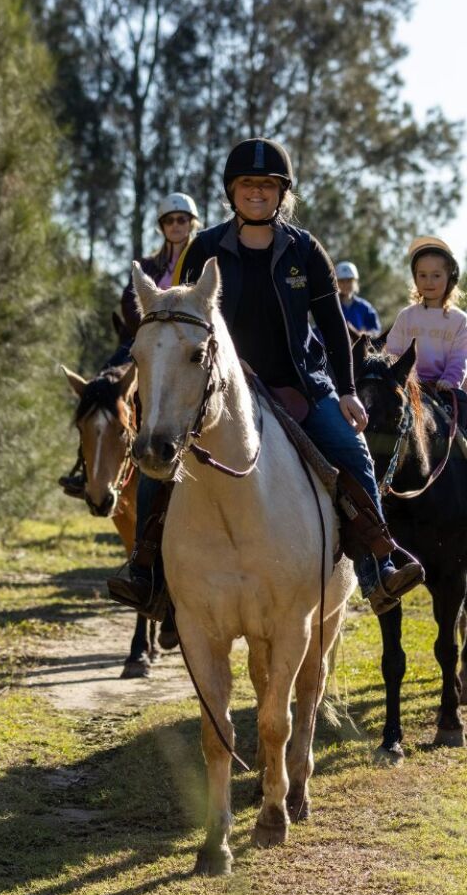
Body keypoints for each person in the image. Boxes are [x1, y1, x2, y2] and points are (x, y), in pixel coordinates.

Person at [108, 138, 424, 617]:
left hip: (301, 383)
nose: (257, 192)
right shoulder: (206, 247)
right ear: (232, 191)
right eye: (247, 184)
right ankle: (146, 571)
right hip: (223, 385)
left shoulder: (306, 251)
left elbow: (334, 328)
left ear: (283, 193)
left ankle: (378, 565)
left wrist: (346, 391)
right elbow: (190, 318)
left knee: (350, 449)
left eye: (267, 185)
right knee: (156, 450)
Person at [59, 193, 200, 497]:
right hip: (145, 339)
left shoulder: (201, 262)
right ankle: (85, 471)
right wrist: (150, 330)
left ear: (191, 223)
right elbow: (128, 301)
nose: (176, 225)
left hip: (187, 342)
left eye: (182, 219)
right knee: (99, 386)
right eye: (170, 220)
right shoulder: (149, 265)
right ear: (162, 226)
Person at [386, 236, 467, 398]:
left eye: (436, 275)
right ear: (415, 278)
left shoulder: (460, 320)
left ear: (450, 277)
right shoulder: (406, 316)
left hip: (444, 389)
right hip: (407, 387)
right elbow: (392, 352)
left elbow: (459, 359)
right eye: (422, 275)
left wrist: (449, 380)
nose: (429, 281)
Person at [335, 261, 381, 336]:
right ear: (336, 283)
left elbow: (376, 330)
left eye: (349, 281)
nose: (345, 284)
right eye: (342, 281)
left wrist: (366, 335)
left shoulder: (365, 307)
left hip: (359, 346)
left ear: (355, 282)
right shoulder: (331, 307)